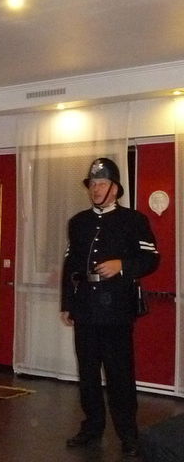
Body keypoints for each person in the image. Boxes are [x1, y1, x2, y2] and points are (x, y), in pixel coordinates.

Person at [61, 157, 159, 458]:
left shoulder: (134, 220)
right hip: (85, 309)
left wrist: (122, 265)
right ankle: (92, 428)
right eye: (93, 184)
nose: (96, 189)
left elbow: (152, 259)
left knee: (120, 376)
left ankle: (128, 434)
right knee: (88, 374)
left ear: (115, 188)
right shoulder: (78, 222)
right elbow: (70, 265)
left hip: (117, 310)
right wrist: (67, 304)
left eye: (102, 183)